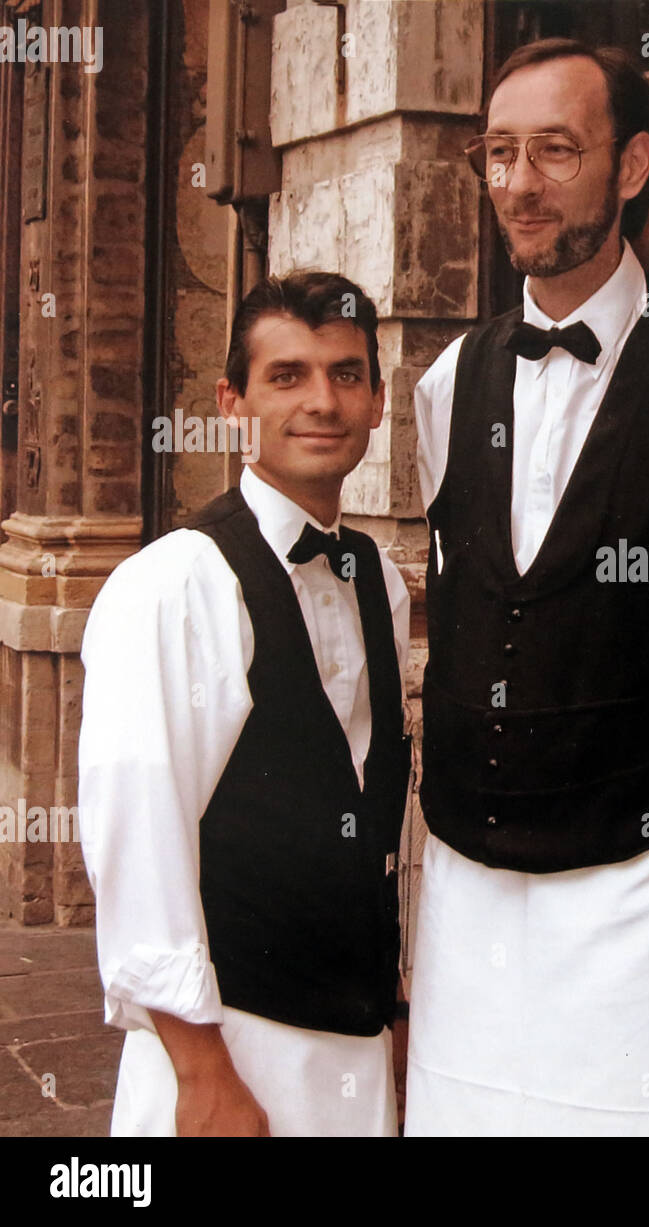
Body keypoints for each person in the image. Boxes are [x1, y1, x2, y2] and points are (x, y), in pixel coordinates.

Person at [406, 37, 649, 1136]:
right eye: (498, 154)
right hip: (469, 888)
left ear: (631, 167)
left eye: (554, 151)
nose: (520, 184)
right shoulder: (449, 383)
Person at [79, 272, 411, 1136]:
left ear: (378, 401)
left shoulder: (380, 577)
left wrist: (394, 1006)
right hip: (230, 1047)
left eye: (345, 374)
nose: (322, 402)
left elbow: (369, 818)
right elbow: (138, 833)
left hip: (354, 1052)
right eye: (287, 375)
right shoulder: (171, 583)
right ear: (232, 400)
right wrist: (202, 1072)